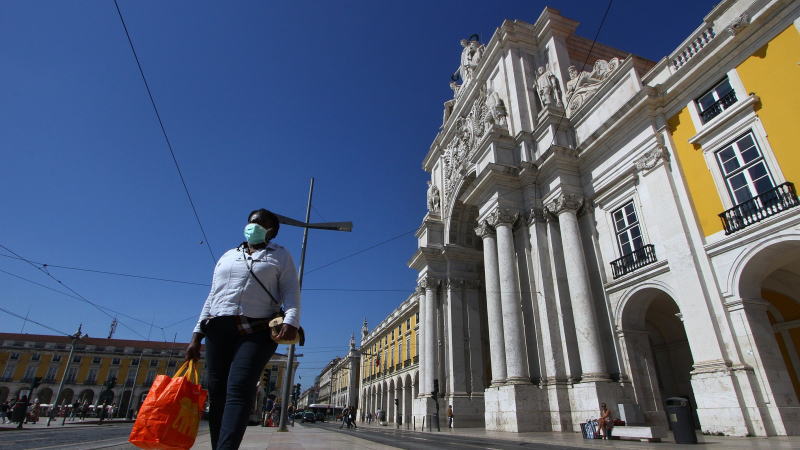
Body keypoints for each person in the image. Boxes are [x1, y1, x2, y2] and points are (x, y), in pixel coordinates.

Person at [186, 209, 300, 449]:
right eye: (252, 221)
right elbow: (212, 295)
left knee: (239, 387)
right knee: (217, 393)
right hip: (218, 327)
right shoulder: (228, 256)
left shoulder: (280, 255)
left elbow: (291, 290)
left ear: (272, 231)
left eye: (261, 223)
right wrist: (196, 336)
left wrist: (291, 320)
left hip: (256, 329)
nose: (254, 225)